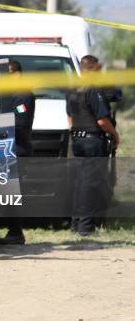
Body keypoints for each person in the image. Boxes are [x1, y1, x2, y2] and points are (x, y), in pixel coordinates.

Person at [67, 54, 118, 236]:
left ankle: (76, 223)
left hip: (78, 140)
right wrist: (115, 134)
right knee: (91, 183)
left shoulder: (73, 90)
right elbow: (102, 121)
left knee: (80, 181)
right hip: (92, 140)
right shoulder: (93, 90)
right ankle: (86, 227)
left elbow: (70, 119)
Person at [0, 60, 35, 245]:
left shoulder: (23, 95)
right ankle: (13, 230)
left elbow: (20, 122)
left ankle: (16, 232)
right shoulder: (8, 94)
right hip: (6, 149)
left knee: (14, 192)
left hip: (17, 149)